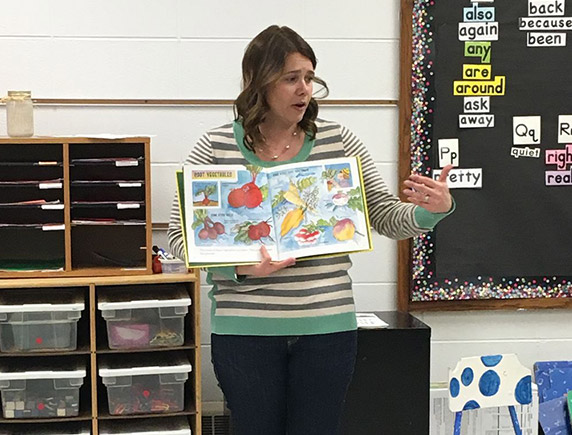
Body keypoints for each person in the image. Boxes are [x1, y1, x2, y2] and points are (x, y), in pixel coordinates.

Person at [168, 25, 454, 435]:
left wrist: (432, 212)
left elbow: (384, 216)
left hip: (326, 329)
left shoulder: (338, 141)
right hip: (245, 330)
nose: (304, 90)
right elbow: (183, 240)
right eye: (290, 79)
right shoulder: (214, 147)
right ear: (259, 82)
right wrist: (243, 268)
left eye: (309, 78)